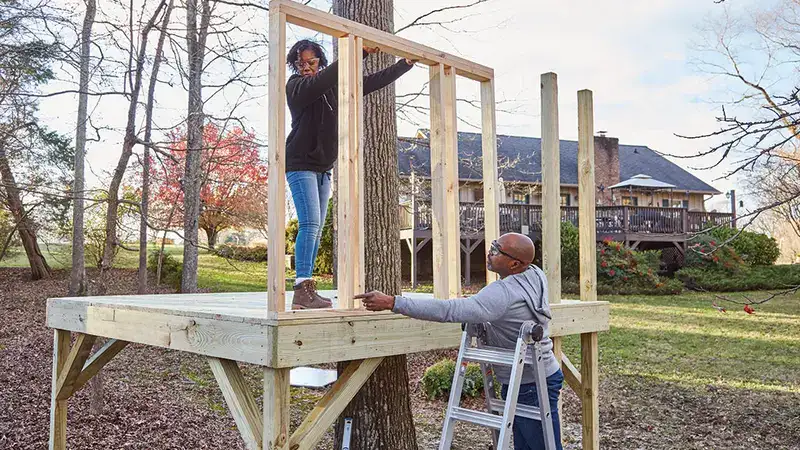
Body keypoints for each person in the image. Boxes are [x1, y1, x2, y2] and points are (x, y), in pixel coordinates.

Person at [356, 232, 564, 450]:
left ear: (514, 264)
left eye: (496, 250)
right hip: (533, 377)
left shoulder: (504, 293)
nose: (489, 253)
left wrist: (393, 302)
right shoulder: (534, 273)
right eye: (492, 245)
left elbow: (450, 310)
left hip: (530, 384)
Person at [285, 39, 415, 310]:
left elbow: (369, 82)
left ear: (319, 60)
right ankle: (301, 289)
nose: (306, 67)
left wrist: (404, 65)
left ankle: (307, 293)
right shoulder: (296, 87)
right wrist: (359, 53)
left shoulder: (333, 86)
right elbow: (322, 81)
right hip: (300, 163)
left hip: (323, 167)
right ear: (294, 66)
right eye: (300, 63)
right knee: (309, 224)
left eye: (311, 62)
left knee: (317, 229)